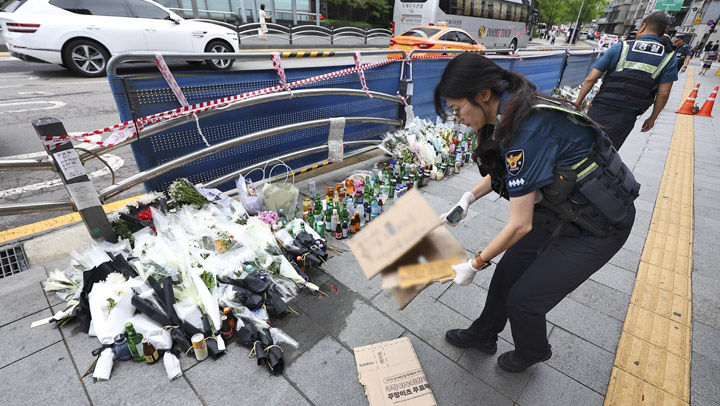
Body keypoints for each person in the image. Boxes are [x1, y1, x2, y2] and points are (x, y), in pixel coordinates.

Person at [434, 53, 638, 373]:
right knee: (506, 275)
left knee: (525, 300)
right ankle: (484, 335)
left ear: (483, 95)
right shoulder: (512, 109)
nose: (458, 117)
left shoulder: (526, 130)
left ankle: (533, 351)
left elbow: (519, 224)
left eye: (458, 108)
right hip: (563, 212)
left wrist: (475, 263)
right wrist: (467, 197)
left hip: (599, 226)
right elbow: (508, 172)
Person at [574, 11, 677, 150]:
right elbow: (664, 94)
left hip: (600, 109)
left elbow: (591, 78)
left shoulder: (622, 47)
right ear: (664, 31)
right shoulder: (669, 57)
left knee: (582, 146)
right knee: (607, 153)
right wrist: (652, 118)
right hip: (626, 117)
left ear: (643, 26)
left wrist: (577, 103)